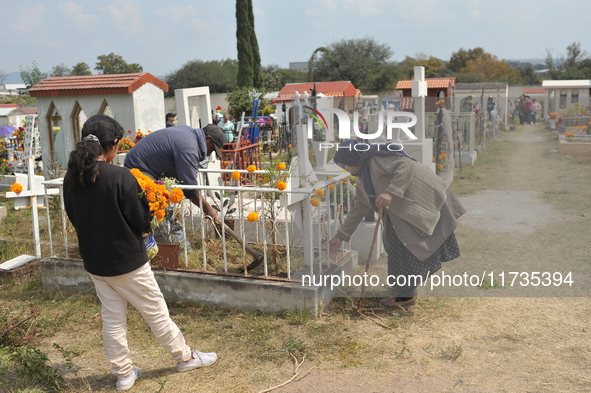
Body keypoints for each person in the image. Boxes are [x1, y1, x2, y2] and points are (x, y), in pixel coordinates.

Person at [63, 115, 217, 391]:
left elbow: (73, 215)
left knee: (112, 318)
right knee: (156, 312)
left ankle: (124, 374)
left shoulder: (72, 178)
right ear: (112, 145)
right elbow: (140, 220)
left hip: (96, 261)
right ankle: (185, 358)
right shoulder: (120, 176)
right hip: (127, 260)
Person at [329, 140, 465, 309]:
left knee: (404, 249)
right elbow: (358, 207)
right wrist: (340, 237)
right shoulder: (364, 179)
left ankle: (403, 297)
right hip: (407, 209)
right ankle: (405, 294)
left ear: (353, 158)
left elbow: (405, 165)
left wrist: (390, 192)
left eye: (345, 164)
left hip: (424, 199)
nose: (346, 168)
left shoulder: (376, 159)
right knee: (400, 249)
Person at [124, 124, 225, 220]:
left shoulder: (188, 133)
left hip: (143, 167)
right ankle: (169, 238)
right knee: (159, 213)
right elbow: (189, 187)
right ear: (208, 139)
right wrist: (208, 209)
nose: (208, 154)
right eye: (211, 149)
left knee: (167, 213)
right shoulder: (189, 147)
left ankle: (175, 237)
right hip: (140, 170)